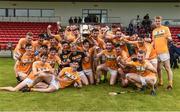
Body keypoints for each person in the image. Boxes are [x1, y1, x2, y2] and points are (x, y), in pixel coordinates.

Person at [152, 16, 173, 90]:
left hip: (164, 51)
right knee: (158, 68)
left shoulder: (165, 28)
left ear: (161, 21)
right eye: (156, 21)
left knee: (167, 68)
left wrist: (169, 39)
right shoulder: (154, 31)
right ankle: (160, 81)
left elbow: (170, 38)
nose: (157, 22)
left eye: (158, 21)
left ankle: (170, 84)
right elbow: (153, 42)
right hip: (156, 53)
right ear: (154, 22)